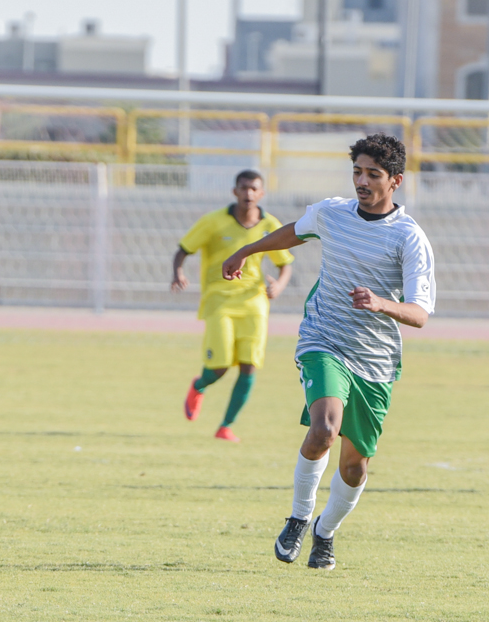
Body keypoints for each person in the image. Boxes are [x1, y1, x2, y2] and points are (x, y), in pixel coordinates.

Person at [221, 134, 435, 570]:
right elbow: (294, 234)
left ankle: (325, 531)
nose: (361, 180)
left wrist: (380, 303)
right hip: (324, 340)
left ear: (395, 180)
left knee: (355, 468)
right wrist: (247, 249)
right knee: (324, 430)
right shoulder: (333, 212)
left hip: (375, 361)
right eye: (357, 171)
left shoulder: (409, 238)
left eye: (372, 174)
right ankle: (299, 518)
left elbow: (419, 314)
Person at [171, 170, 294, 442]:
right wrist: (178, 271)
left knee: (249, 365)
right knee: (221, 366)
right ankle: (199, 385)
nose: (248, 194)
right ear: (234, 191)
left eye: (254, 189)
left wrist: (279, 285)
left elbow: (285, 263)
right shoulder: (214, 222)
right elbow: (183, 249)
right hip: (220, 301)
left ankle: (226, 426)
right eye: (244, 188)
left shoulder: (270, 224)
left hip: (254, 304)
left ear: (261, 193)